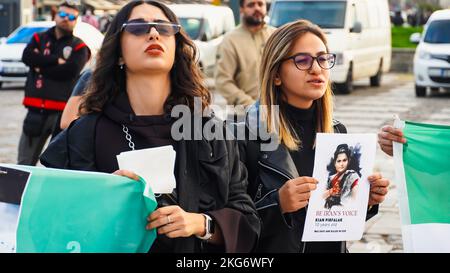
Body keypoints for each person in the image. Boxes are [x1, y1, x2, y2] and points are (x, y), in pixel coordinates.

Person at [40, 0, 259, 253]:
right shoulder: (84, 134)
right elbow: (51, 222)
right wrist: (101, 197)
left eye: (164, 29)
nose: (153, 33)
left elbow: (248, 222)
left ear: (176, 47)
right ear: (119, 50)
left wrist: (202, 224)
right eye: (137, 28)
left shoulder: (210, 131)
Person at [236, 20, 390, 253]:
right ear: (276, 74)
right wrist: (278, 204)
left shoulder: (338, 132)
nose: (317, 69)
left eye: (323, 58)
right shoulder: (245, 135)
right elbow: (231, 226)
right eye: (303, 60)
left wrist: (363, 201)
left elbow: (337, 219)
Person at [18, 0, 90, 166]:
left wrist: (40, 66)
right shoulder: (38, 38)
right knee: (24, 163)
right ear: (55, 15)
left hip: (62, 114)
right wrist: (55, 60)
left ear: (76, 20)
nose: (66, 19)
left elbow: (69, 72)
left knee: (57, 166)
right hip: (35, 110)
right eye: (63, 14)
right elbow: (27, 57)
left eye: (71, 16)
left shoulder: (79, 47)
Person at [215, 0, 275, 108]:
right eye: (251, 5)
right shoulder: (230, 40)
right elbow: (223, 81)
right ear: (241, 9)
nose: (257, 8)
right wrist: (251, 105)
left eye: (260, 4)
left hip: (277, 112)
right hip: (243, 115)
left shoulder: (275, 36)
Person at [323, 144, 359, 209]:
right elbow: (320, 197)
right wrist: (330, 192)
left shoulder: (352, 176)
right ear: (335, 163)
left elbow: (355, 200)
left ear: (348, 161)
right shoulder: (330, 178)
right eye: (339, 161)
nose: (341, 164)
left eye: (344, 160)